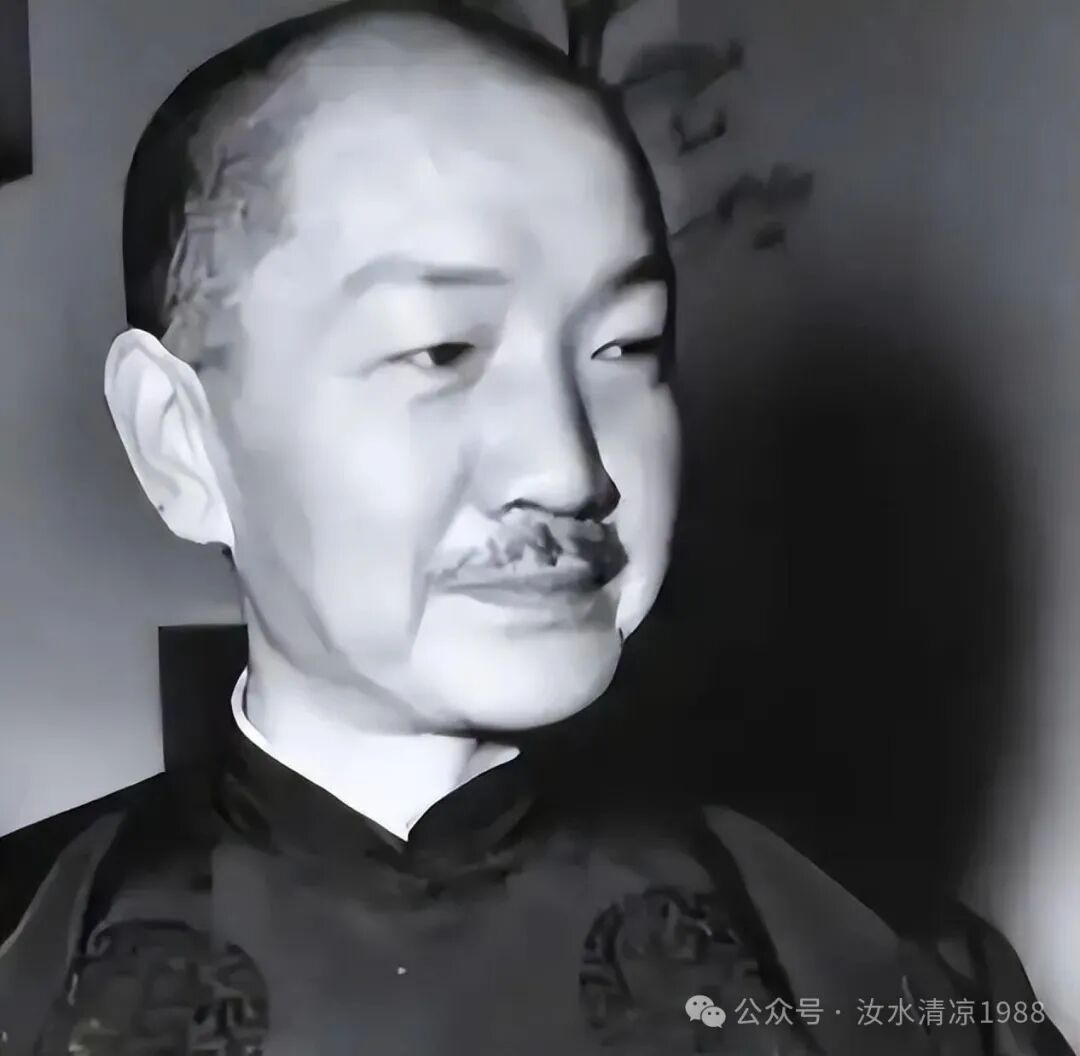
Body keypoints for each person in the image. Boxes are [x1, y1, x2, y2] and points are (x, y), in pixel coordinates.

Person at [0, 2, 1071, 1053]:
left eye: (627, 346)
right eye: (441, 351)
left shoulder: (895, 975)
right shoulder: (29, 960)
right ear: (181, 442)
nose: (570, 469)